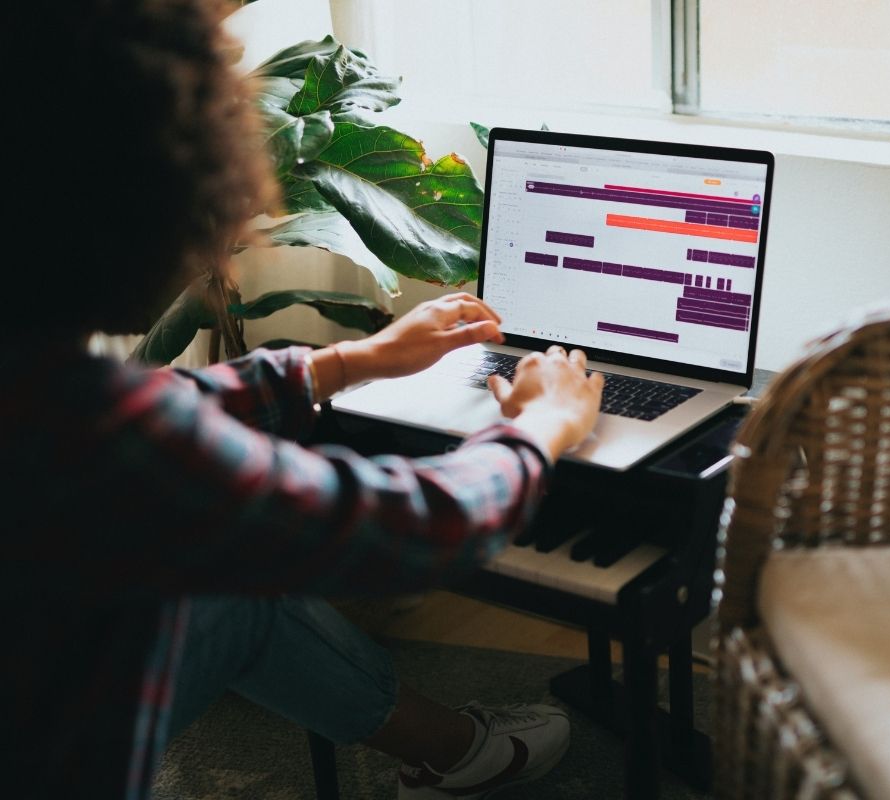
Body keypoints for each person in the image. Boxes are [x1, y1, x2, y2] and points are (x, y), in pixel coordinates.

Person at [2, 1, 603, 798]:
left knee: (230, 594)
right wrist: (542, 426)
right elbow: (421, 527)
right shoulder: (101, 432)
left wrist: (350, 362)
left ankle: (455, 750)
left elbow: (154, 403)